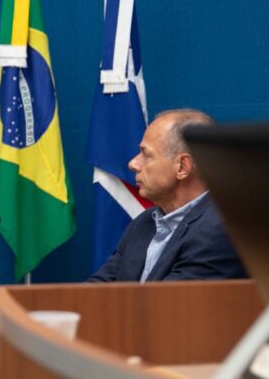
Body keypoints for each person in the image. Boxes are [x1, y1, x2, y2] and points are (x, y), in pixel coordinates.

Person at [89, 109, 248, 283]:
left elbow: (168, 305)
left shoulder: (220, 229)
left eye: (146, 154)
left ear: (182, 167)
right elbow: (100, 289)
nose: (133, 164)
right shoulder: (144, 222)